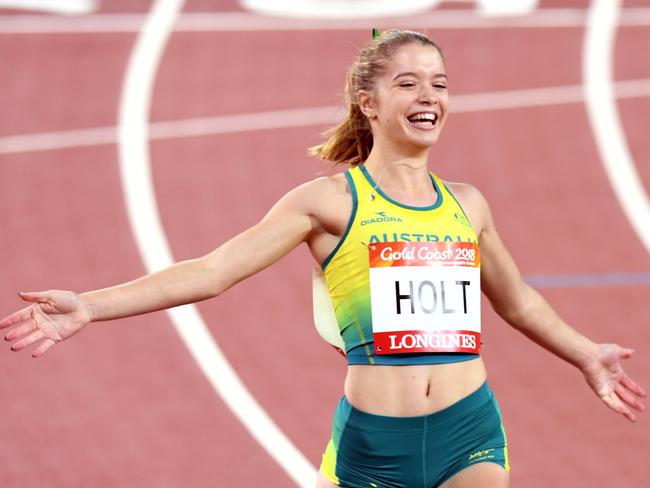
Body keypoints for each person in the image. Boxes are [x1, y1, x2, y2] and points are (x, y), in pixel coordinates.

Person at [1, 29, 645, 488]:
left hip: (469, 428)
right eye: (408, 83)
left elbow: (517, 299)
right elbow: (211, 271)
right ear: (368, 103)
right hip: (373, 447)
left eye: (440, 83)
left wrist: (585, 352)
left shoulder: (467, 204)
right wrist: (88, 305)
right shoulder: (328, 203)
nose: (430, 96)